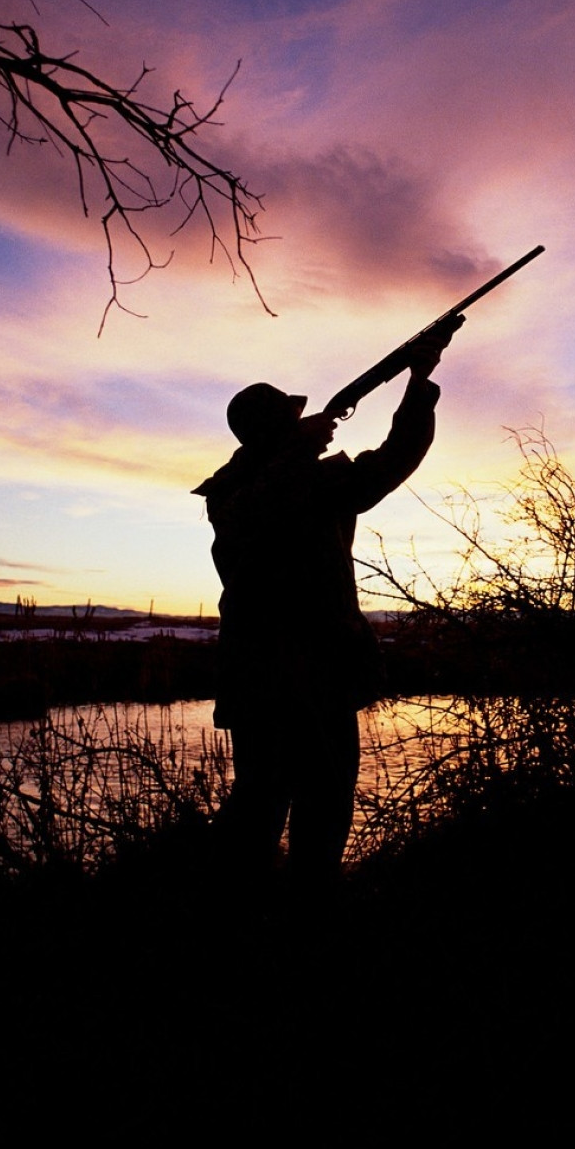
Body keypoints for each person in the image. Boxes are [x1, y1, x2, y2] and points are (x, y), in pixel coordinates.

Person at [192, 322, 460, 893]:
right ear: (274, 435)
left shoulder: (302, 481)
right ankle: (245, 919)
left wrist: (418, 380)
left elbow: (393, 460)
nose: (303, 424)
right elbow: (264, 509)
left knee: (317, 802)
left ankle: (290, 917)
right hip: (283, 675)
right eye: (290, 422)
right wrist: (302, 445)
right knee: (269, 807)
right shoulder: (236, 493)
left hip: (312, 673)